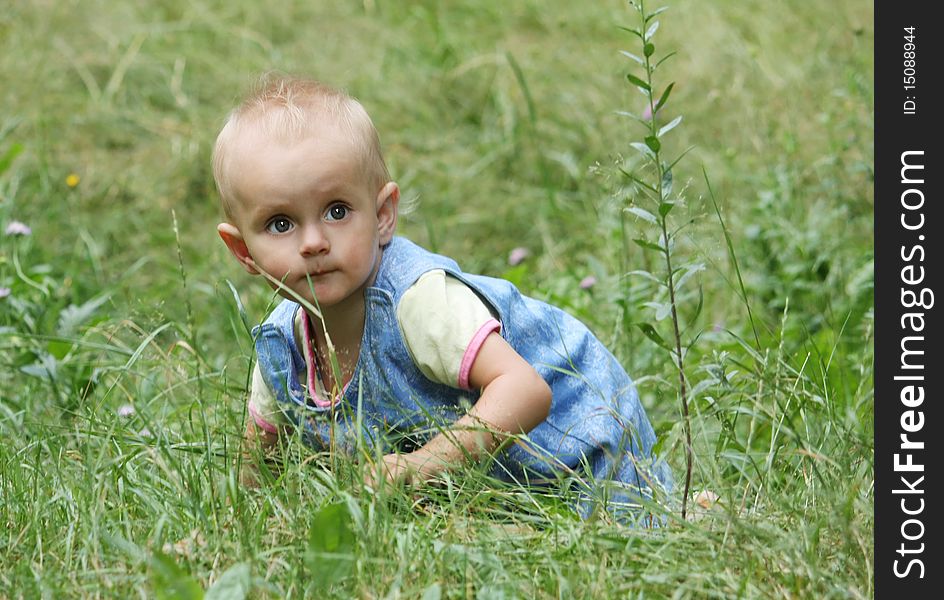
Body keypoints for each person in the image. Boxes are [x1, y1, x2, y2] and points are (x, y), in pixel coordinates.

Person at [212, 75, 672, 520]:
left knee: (625, 529)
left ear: (383, 215)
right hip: (502, 485)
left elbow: (526, 390)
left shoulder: (417, 299)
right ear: (242, 250)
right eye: (280, 223)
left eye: (337, 211)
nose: (313, 242)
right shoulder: (281, 344)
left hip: (581, 453)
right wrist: (236, 527)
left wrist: (424, 464)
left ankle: (683, 508)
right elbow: (258, 467)